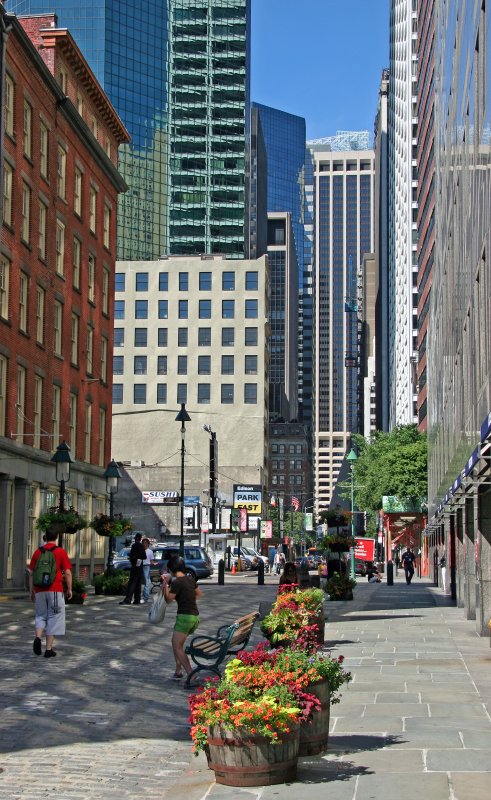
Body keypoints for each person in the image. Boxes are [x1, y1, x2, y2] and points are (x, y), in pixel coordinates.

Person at [28, 530, 72, 658]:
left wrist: (32, 590)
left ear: (45, 537)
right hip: (55, 589)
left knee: (40, 615)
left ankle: (37, 637)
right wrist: (69, 588)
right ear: (57, 537)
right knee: (53, 617)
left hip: (39, 590)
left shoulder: (37, 552)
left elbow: (31, 573)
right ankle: (48, 649)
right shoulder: (60, 552)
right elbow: (68, 573)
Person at [162, 554, 203, 683]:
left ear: (172, 569)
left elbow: (168, 599)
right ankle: (178, 670)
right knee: (177, 643)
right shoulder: (190, 579)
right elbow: (199, 594)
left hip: (184, 618)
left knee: (176, 645)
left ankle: (191, 673)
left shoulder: (177, 582)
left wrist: (165, 586)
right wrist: (186, 598)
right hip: (195, 617)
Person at [120, 533, 146, 605]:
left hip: (135, 566)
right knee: (138, 583)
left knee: (132, 583)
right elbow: (144, 556)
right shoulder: (142, 546)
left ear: (135, 538)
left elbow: (132, 556)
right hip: (140, 566)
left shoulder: (134, 545)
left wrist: (133, 558)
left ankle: (128, 599)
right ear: (140, 538)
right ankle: (137, 599)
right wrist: (139, 557)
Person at [142, 537, 154, 602]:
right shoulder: (141, 550)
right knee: (146, 581)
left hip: (147, 566)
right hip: (141, 566)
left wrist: (153, 563)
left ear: (148, 544)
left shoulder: (150, 551)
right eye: (143, 543)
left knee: (147, 581)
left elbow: (151, 560)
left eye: (146, 543)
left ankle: (146, 596)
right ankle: (145, 595)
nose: (144, 544)